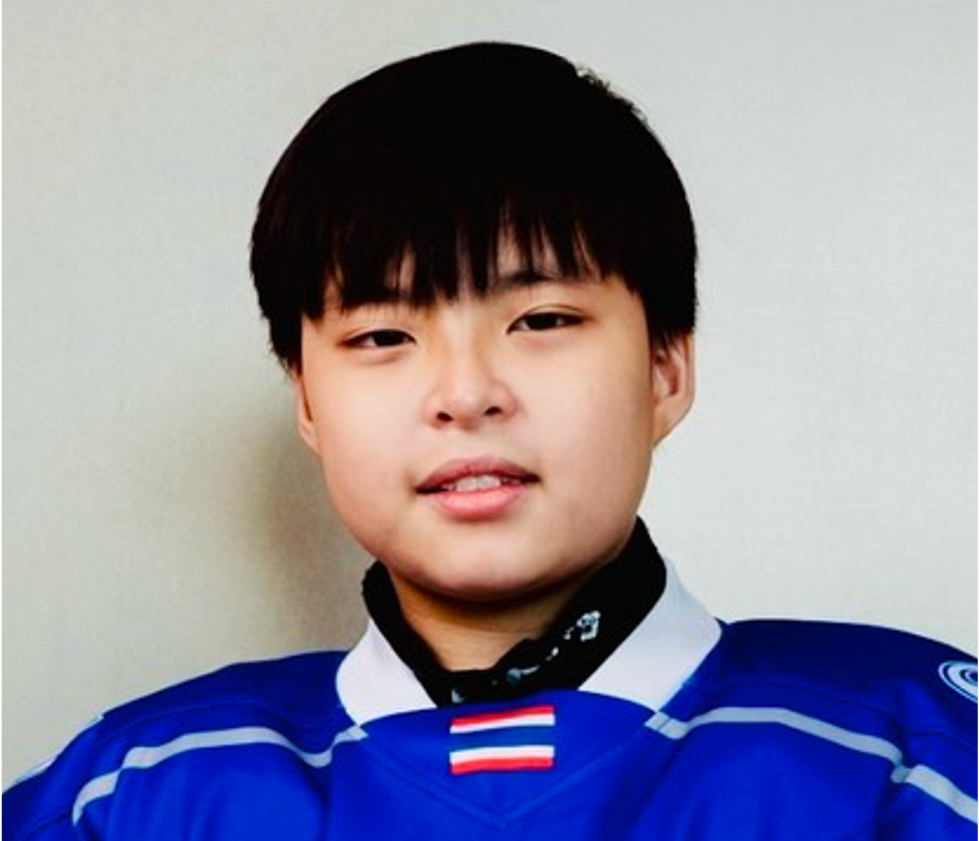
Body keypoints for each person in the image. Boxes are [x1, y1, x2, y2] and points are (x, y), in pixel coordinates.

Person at [2, 40, 975, 840]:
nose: (464, 395)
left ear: (664, 368)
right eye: (382, 336)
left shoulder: (914, 761)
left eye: (540, 320)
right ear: (306, 402)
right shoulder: (134, 794)